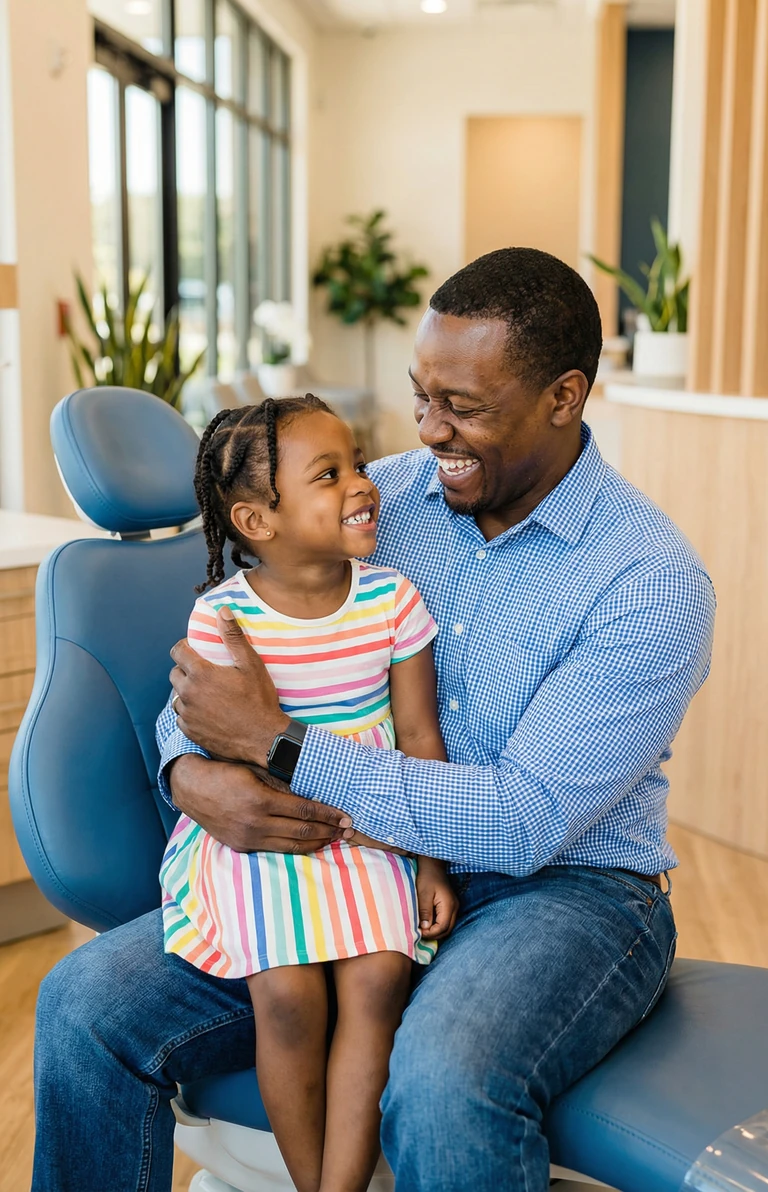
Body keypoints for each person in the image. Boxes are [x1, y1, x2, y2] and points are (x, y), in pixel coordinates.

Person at [33, 248, 715, 1192]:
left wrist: (282, 751)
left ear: (565, 397)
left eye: (464, 406)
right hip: (344, 869)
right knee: (81, 1004)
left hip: (563, 890)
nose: (431, 429)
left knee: (444, 1077)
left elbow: (523, 822)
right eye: (422, 395)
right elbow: (216, 671)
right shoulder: (370, 500)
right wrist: (193, 774)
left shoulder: (651, 583)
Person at [159, 392, 457, 1192]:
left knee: (378, 980)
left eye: (358, 463)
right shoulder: (223, 619)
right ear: (257, 521)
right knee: (287, 995)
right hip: (262, 834)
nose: (362, 483)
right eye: (330, 474)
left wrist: (432, 864)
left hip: (370, 826)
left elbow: (420, 739)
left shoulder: (392, 599)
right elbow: (192, 731)